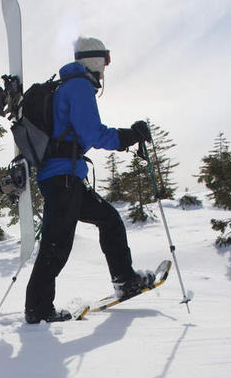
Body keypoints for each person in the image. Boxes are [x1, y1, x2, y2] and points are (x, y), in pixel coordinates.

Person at [24, 36, 154, 324]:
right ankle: (38, 309)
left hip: (65, 177)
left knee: (109, 220)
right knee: (56, 245)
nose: (105, 70)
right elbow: (91, 133)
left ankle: (125, 279)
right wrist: (128, 136)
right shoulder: (79, 86)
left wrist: (126, 138)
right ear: (95, 61)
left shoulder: (67, 87)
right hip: (63, 178)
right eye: (105, 62)